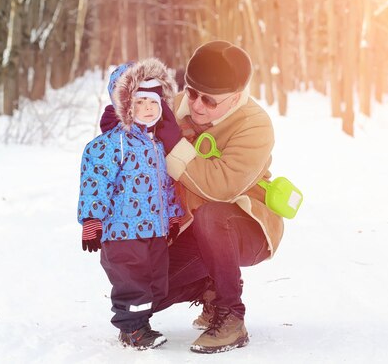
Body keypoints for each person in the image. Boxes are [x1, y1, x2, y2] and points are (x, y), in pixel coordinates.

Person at [100, 41, 285, 354]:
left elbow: (221, 187)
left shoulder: (255, 125)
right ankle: (210, 287)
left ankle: (231, 316)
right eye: (192, 92)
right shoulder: (178, 103)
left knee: (214, 213)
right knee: (142, 291)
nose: (196, 105)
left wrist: (173, 144)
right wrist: (122, 122)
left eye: (210, 101)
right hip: (189, 225)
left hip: (245, 224)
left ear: (236, 96)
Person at [77, 58, 184, 350]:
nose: (149, 108)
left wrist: (173, 217)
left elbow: (166, 187)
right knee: (132, 284)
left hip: (154, 230)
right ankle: (132, 329)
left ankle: (141, 324)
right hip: (122, 233)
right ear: (125, 106)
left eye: (154, 102)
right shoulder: (111, 144)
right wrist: (92, 220)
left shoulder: (157, 145)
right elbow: (95, 182)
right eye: (140, 103)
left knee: (155, 282)